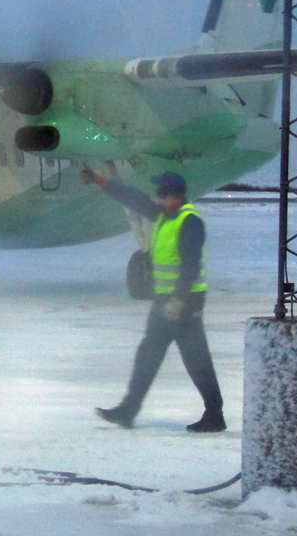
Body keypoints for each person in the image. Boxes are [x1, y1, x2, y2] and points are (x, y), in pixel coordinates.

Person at [80, 167, 226, 433]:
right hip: (168, 301)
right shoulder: (164, 216)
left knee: (188, 358)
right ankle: (130, 410)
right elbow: (133, 198)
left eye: (161, 192)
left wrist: (178, 301)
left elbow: (190, 266)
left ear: (175, 196)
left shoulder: (189, 222)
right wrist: (102, 181)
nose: (156, 197)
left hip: (184, 302)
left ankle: (211, 413)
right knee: (163, 355)